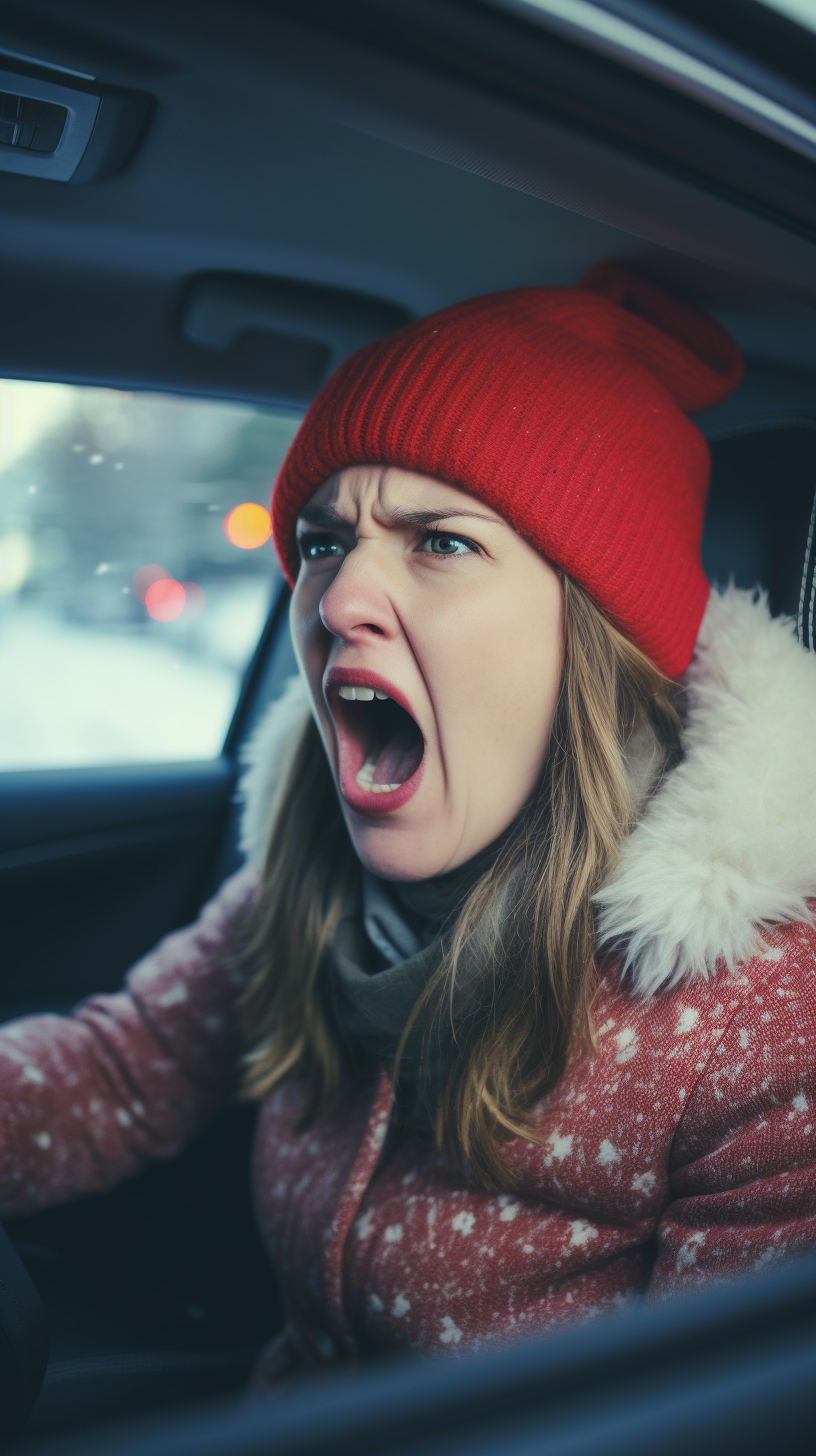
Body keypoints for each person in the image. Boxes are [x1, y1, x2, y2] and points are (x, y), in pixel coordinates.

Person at [1, 263, 814, 1380]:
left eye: (440, 541)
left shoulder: (761, 1020)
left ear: (591, 631)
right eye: (327, 542)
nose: (334, 601)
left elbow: (711, 1413)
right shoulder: (308, 879)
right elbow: (120, 1073)